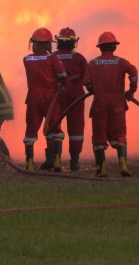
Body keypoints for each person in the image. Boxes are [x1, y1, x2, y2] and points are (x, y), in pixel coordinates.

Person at [84, 31, 139, 177]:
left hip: (99, 103)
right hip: (118, 102)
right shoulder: (121, 62)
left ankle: (101, 168)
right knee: (119, 134)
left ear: (100, 47)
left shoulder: (92, 63)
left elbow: (87, 82)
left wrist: (92, 88)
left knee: (99, 136)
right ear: (114, 47)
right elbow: (133, 72)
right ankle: (123, 164)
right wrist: (131, 90)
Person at [22, 27, 67, 172]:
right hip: (50, 98)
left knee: (30, 130)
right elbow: (62, 74)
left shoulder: (27, 59)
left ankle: (29, 164)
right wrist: (61, 84)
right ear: (48, 44)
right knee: (55, 129)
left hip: (33, 98)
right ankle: (57, 162)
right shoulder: (52, 58)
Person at [53, 27, 89, 171]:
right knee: (76, 128)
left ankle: (55, 159)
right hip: (76, 96)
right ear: (74, 42)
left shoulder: (52, 57)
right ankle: (75, 161)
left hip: (57, 94)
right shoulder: (79, 58)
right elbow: (88, 78)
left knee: (54, 126)